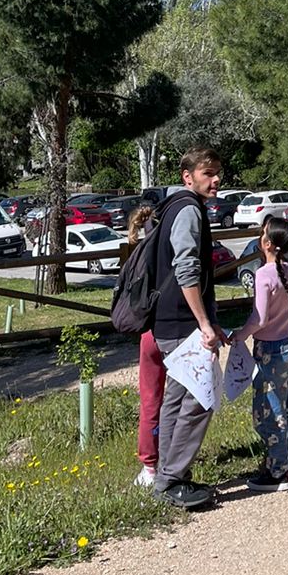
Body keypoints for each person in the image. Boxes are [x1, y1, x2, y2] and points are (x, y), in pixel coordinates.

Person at [149, 146, 226, 510]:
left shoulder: (173, 206)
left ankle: (168, 476)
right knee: (199, 399)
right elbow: (186, 270)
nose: (216, 179)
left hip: (169, 320)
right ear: (188, 176)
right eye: (208, 173)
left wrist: (210, 319)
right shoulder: (189, 210)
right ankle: (171, 480)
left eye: (218, 173)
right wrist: (204, 323)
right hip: (182, 322)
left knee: (177, 400)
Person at [232, 214, 288, 492]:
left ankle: (277, 471)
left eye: (263, 234)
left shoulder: (263, 275)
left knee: (270, 411)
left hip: (270, 350)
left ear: (269, 244)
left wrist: (239, 335)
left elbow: (259, 318)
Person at [129, 202, 165, 488]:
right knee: (179, 398)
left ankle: (150, 465)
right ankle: (175, 457)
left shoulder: (140, 254)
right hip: (175, 330)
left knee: (151, 399)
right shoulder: (171, 253)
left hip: (149, 332)